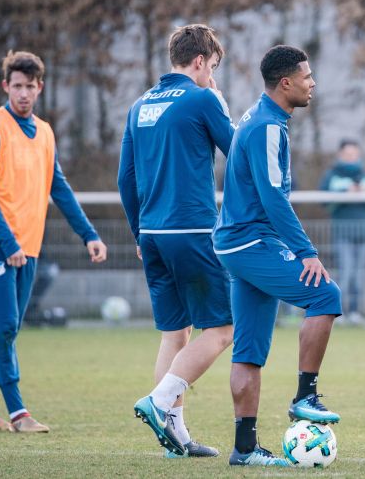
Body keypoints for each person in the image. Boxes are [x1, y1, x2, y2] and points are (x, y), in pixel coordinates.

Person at [213, 45, 342, 467]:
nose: (312, 83)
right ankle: (306, 395)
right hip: (252, 242)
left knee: (248, 351)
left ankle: (245, 449)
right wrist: (306, 252)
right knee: (325, 296)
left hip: (238, 243)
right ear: (285, 83)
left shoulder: (257, 116)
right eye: (307, 77)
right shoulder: (268, 126)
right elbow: (272, 197)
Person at [0, 51, 108, 432]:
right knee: (3, 327)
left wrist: (89, 235)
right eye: (16, 86)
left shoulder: (45, 132)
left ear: (40, 88)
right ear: (5, 87)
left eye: (29, 87)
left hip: (28, 245)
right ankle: (18, 413)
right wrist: (7, 242)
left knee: (6, 328)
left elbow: (59, 188)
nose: (23, 93)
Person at [118, 24, 234, 457]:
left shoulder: (140, 104)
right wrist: (219, 101)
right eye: (213, 68)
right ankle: (160, 400)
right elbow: (238, 150)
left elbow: (124, 178)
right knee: (222, 329)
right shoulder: (203, 97)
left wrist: (137, 232)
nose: (211, 77)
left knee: (174, 332)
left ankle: (177, 438)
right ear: (201, 61)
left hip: (151, 233)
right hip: (192, 230)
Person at [319, 139, 365, 324]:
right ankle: (340, 312)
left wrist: (362, 193)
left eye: (354, 154)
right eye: (347, 154)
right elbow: (324, 202)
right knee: (345, 273)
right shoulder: (332, 176)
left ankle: (355, 311)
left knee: (359, 275)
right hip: (342, 232)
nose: (351, 157)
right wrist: (345, 192)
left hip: (363, 233)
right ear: (340, 155)